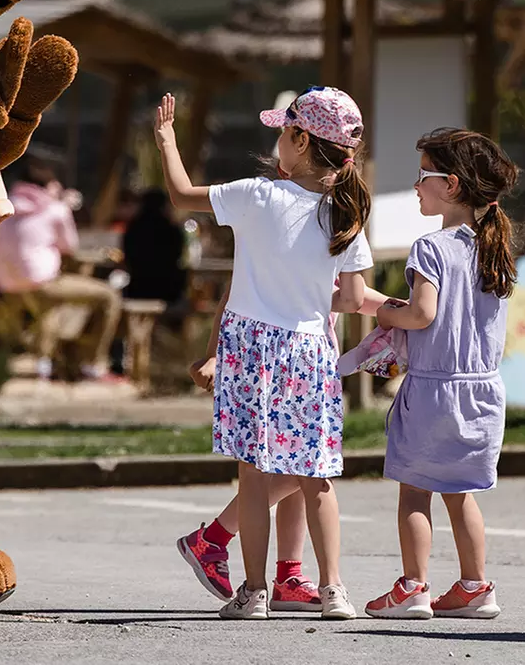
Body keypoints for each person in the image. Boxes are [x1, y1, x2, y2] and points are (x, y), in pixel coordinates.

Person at [154, 86, 373, 620]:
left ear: (300, 139)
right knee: (316, 475)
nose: (278, 138)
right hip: (311, 350)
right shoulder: (343, 214)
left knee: (253, 475)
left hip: (252, 347)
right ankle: (333, 590)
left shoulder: (256, 195)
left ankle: (254, 593)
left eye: (284, 130)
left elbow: (182, 194)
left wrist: (165, 139)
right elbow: (350, 297)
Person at [362, 129, 518, 621]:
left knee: (414, 488)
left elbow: (422, 314)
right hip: (483, 391)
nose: (415, 185)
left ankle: (412, 588)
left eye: (422, 176)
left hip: (433, 389)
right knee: (461, 491)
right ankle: (475, 587)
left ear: (450, 184)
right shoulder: (494, 249)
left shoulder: (430, 248)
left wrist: (387, 313)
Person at [178, 280, 393, 612]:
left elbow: (342, 293)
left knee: (297, 467)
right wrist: (213, 355)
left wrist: (396, 306)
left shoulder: (324, 233)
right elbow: (235, 292)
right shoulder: (290, 231)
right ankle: (214, 538)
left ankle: (288, 575)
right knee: (304, 467)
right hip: (274, 361)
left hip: (301, 362)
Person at [0, 147, 121, 381]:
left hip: (5, 283)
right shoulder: (55, 209)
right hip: (42, 282)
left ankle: (51, 359)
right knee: (108, 297)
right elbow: (70, 247)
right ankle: (92, 363)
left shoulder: (5, 205)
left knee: (51, 302)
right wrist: (62, 204)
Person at [121, 189, 187, 307]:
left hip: (137, 289)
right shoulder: (171, 229)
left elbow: (127, 257)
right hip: (168, 290)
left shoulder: (134, 228)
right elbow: (178, 256)